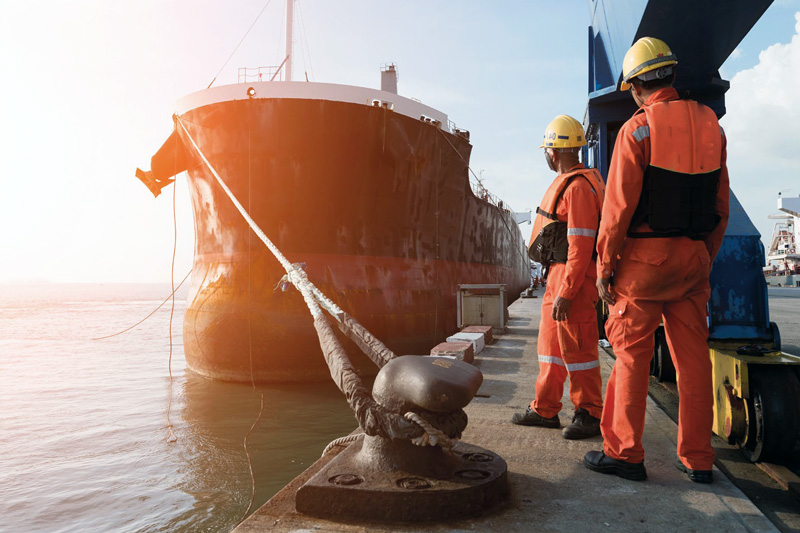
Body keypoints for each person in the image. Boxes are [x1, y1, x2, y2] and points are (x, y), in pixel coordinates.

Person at [583, 37, 730, 483]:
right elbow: (720, 205)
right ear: (670, 74)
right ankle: (699, 459)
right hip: (693, 261)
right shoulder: (711, 125)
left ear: (634, 87)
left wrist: (605, 268)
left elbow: (618, 210)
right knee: (693, 364)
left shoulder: (637, 129)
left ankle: (626, 454)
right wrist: (705, 254)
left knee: (631, 358)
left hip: (644, 265)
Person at [511, 115, 606, 440]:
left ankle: (590, 413)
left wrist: (567, 291)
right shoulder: (573, 182)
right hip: (558, 275)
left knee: (579, 350)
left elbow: (580, 245)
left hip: (573, 281)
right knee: (550, 347)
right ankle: (545, 408)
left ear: (553, 152)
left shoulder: (578, 188)